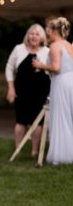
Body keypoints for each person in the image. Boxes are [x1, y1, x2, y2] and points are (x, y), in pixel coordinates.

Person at [32, 16, 73, 164]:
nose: (47, 31)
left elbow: (56, 68)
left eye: (48, 29)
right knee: (70, 117)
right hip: (71, 82)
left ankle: (62, 156)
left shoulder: (55, 46)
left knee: (61, 117)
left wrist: (39, 65)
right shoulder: (69, 45)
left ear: (54, 30)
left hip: (61, 83)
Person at [5, 24, 50, 157]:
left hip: (41, 92)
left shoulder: (46, 51)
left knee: (38, 122)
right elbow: (9, 67)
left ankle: (34, 150)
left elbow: (52, 70)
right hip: (21, 91)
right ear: (27, 35)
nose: (34, 36)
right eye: (31, 33)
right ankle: (18, 148)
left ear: (42, 37)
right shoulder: (19, 49)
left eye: (37, 34)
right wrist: (11, 88)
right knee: (20, 121)